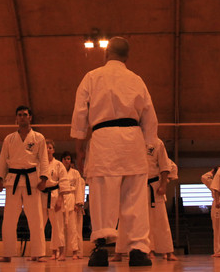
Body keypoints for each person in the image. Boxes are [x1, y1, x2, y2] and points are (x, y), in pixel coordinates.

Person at [71, 36, 158, 267]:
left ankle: (101, 248)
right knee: (135, 196)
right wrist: (148, 144)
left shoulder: (92, 77)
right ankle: (138, 250)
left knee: (102, 195)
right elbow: (149, 117)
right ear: (127, 56)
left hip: (103, 139)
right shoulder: (136, 80)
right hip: (132, 139)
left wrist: (80, 148)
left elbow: (80, 113)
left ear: (106, 52)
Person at [0, 105, 49, 262]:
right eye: (20, 115)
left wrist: (44, 178)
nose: (22, 117)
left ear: (30, 117)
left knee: (36, 218)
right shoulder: (9, 138)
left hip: (32, 181)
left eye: (25, 114)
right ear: (16, 118)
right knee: (9, 219)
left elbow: (44, 159)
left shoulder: (38, 137)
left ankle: (38, 253)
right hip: (13, 180)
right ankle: (7, 253)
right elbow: (2, 159)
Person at [42, 139, 67, 260]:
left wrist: (60, 199)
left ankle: (62, 252)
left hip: (55, 195)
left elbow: (63, 182)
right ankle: (37, 253)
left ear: (53, 150)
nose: (48, 150)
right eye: (46, 148)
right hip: (41, 195)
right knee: (39, 225)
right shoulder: (39, 164)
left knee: (58, 225)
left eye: (50, 148)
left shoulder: (58, 165)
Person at [57, 152, 83, 260]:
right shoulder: (59, 171)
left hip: (72, 198)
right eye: (65, 159)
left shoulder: (75, 173)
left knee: (73, 228)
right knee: (61, 228)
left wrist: (78, 203)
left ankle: (74, 252)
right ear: (62, 160)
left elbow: (79, 188)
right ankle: (61, 252)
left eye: (69, 159)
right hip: (61, 199)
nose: (67, 161)